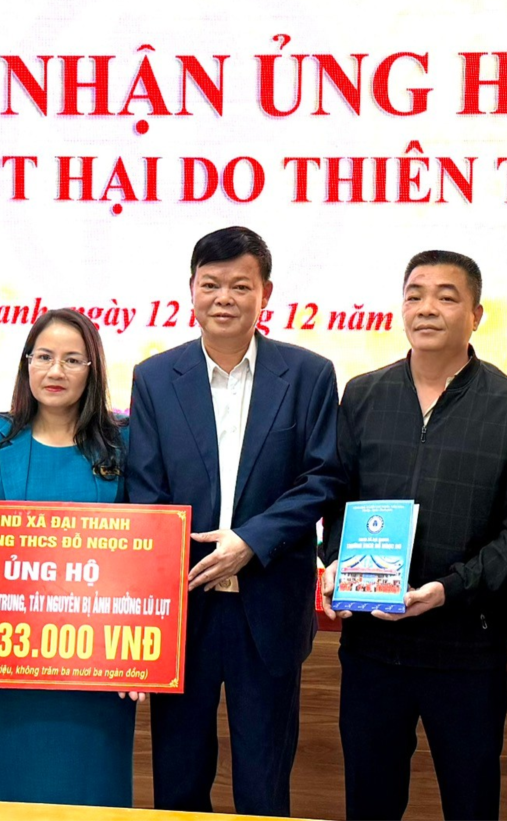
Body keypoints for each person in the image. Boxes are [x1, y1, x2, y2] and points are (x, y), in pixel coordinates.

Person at [320, 250, 507, 821]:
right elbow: (336, 500)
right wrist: (335, 563)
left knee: (470, 805)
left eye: (446, 297)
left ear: (476, 315)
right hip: (371, 649)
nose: (427, 308)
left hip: (466, 651)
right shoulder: (363, 394)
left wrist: (448, 590)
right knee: (369, 805)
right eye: (415, 295)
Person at [128, 226, 341, 817]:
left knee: (264, 784)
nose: (224, 298)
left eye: (240, 286)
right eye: (211, 284)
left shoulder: (309, 374)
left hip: (269, 604)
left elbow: (323, 477)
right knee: (178, 780)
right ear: (191, 290)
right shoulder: (154, 378)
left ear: (265, 293)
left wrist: (251, 540)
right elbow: (146, 490)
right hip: (183, 606)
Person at [0, 309, 138, 807]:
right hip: (13, 654)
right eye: (43, 357)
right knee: (19, 793)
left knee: (97, 792)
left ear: (92, 369)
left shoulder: (124, 441)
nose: (55, 371)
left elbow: (145, 552)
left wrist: (144, 657)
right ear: (27, 363)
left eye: (72, 360)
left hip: (101, 659)